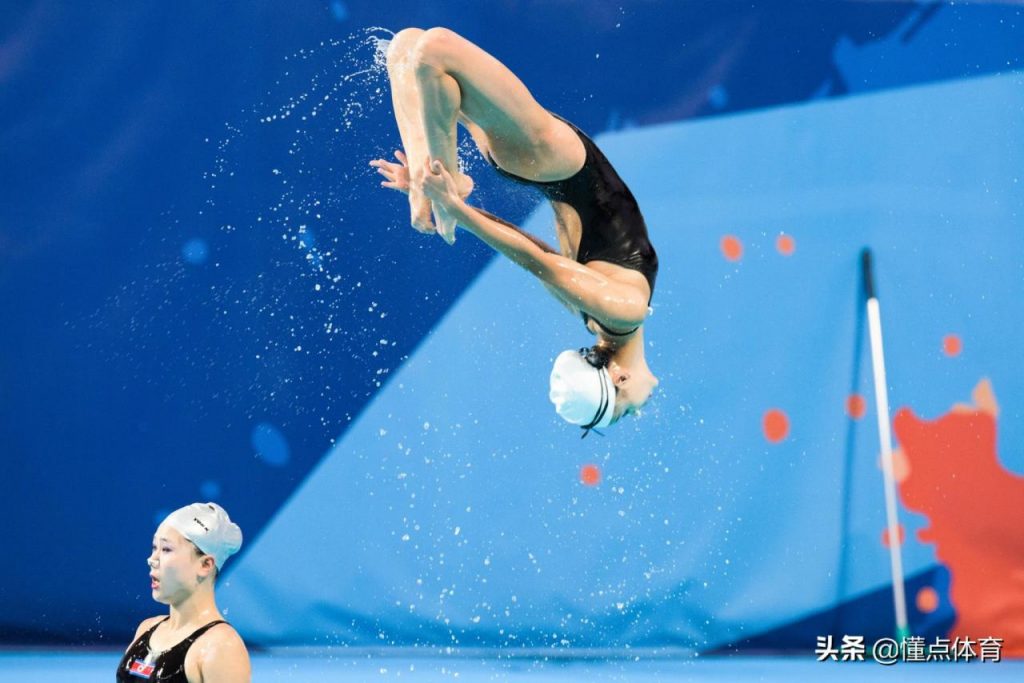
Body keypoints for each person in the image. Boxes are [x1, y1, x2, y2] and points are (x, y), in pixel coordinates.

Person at [371, 27, 659, 434]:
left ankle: (435, 184)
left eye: (626, 410)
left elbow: (540, 262)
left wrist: (459, 211)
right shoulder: (594, 318)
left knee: (430, 51)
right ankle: (429, 182)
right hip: (529, 162)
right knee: (405, 49)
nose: (639, 411)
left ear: (619, 379)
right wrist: (461, 208)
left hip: (547, 154)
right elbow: (536, 253)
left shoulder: (623, 311)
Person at [117, 502, 250, 682]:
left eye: (166, 549)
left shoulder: (221, 647)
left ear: (205, 565)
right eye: (154, 547)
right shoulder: (146, 629)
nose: (152, 559)